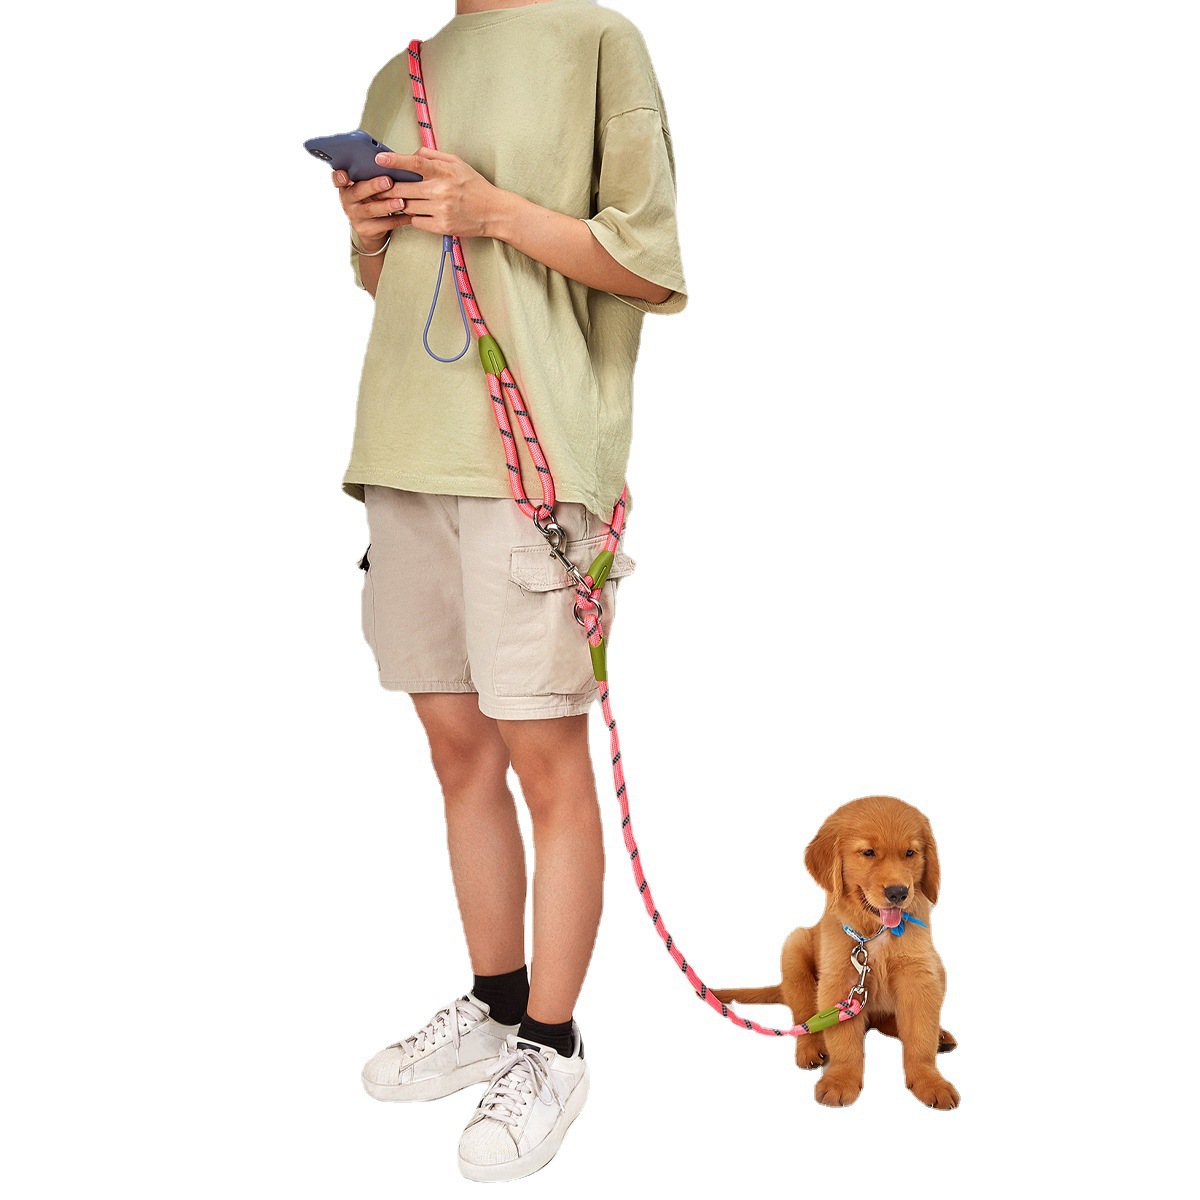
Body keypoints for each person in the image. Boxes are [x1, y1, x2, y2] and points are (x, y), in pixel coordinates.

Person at [329, 0, 686, 1181]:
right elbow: (390, 285)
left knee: (545, 758)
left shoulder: (599, 42)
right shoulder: (401, 72)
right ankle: (495, 1004)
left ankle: (554, 1043)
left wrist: (493, 212)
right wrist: (370, 232)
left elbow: (648, 268)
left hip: (530, 463)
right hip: (403, 451)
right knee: (457, 755)